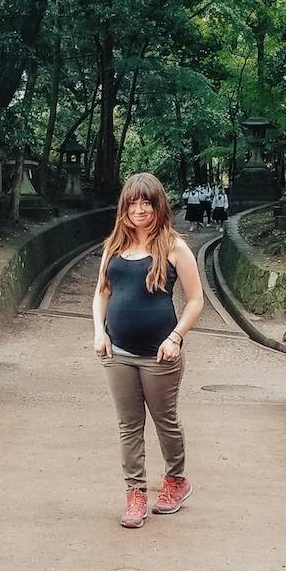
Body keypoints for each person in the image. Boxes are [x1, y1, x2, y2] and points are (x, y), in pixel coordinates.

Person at [93, 173, 205, 529]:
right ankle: (136, 492)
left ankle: (175, 480)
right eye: (132, 203)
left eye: (147, 203)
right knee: (129, 425)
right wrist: (99, 330)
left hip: (161, 354)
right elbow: (102, 293)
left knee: (165, 420)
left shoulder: (174, 246)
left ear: (159, 206)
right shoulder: (113, 246)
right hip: (118, 351)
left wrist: (175, 337)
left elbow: (195, 300)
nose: (139, 210)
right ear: (124, 207)